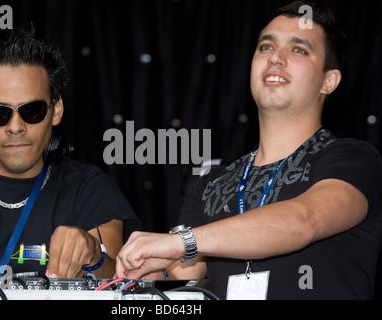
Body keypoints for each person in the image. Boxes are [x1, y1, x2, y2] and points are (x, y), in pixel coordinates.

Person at [116, 1, 382, 299]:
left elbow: (304, 221)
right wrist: (151, 272)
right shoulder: (209, 183)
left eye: (298, 50)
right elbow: (184, 272)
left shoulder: (352, 159)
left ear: (328, 81)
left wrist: (181, 242)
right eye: (266, 47)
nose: (276, 58)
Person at [0, 29, 140, 279]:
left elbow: (116, 283)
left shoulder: (90, 189)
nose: (16, 127)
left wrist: (94, 256)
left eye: (33, 111)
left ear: (57, 110)